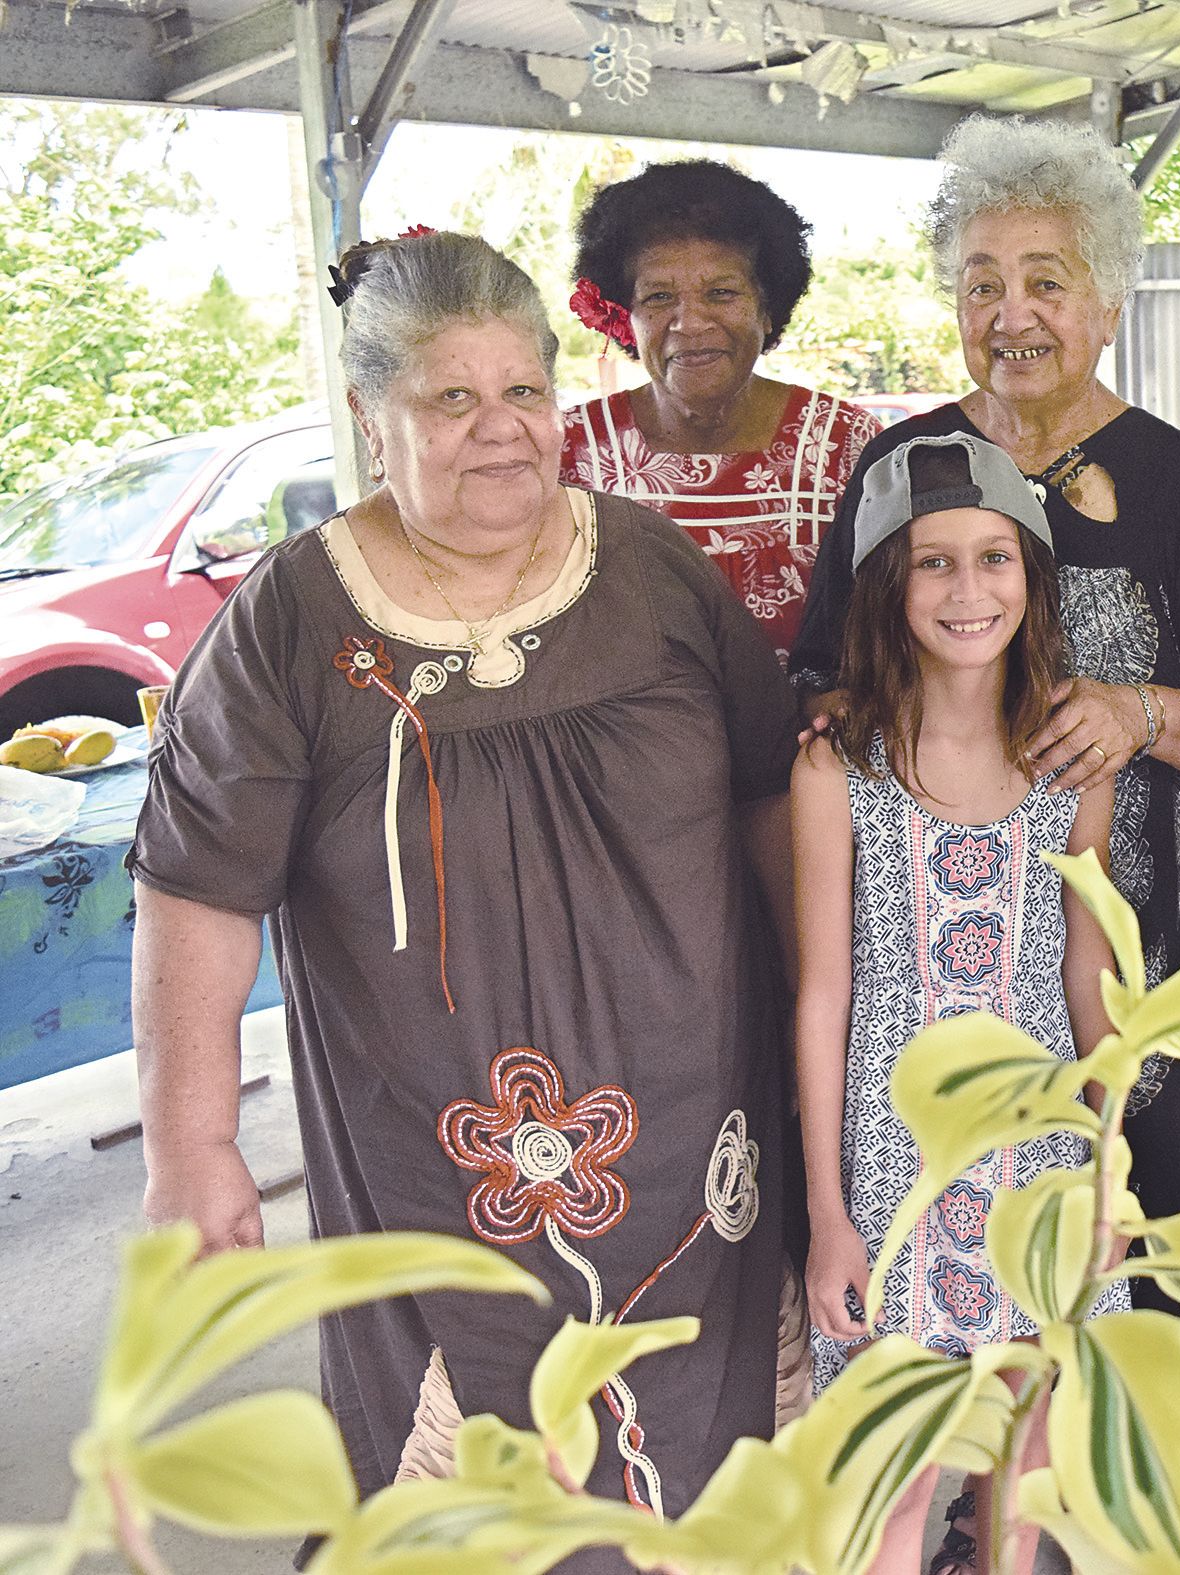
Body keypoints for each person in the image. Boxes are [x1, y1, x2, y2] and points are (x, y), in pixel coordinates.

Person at [129, 232, 801, 1535]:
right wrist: (191, 1142)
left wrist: (818, 1028)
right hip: (442, 1164)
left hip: (696, 1135)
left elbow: (769, 798)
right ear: (371, 414)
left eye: (524, 393)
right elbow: (196, 887)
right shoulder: (291, 621)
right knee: (471, 1474)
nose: (500, 430)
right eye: (452, 398)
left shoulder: (655, 572)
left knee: (707, 1459)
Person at [789, 115, 1180, 1365]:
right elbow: (823, 689)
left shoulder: (1174, 477)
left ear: (1108, 302)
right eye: (981, 285)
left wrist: (1142, 715)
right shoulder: (900, 464)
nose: (1011, 313)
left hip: (1139, 959)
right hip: (930, 969)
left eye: (1045, 281)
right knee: (932, 1298)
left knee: (1140, 1259)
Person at [792, 432, 1122, 1575]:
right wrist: (828, 1212)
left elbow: (1089, 967)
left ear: (1031, 576)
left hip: (1040, 1165)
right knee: (895, 1486)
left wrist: (1110, 1172)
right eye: (932, 563)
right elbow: (823, 994)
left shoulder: (1070, 756)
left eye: (994, 558)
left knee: (1022, 1481)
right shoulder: (840, 766)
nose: (967, 590)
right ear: (887, 584)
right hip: (893, 1174)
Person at [562, 159, 881, 655]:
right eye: (659, 296)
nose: (689, 323)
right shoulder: (570, 451)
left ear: (768, 307)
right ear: (630, 315)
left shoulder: (847, 444)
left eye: (721, 293)